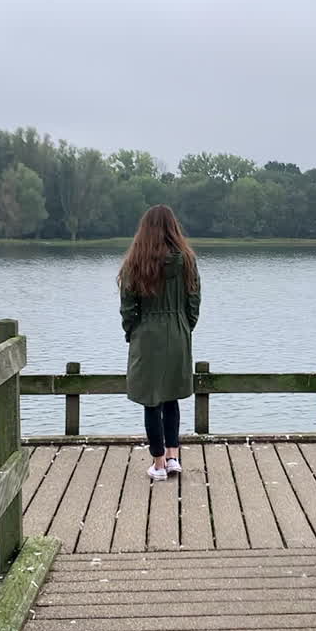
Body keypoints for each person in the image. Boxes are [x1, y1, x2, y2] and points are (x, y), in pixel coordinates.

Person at [118, 205, 201, 481]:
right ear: (173, 227)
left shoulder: (135, 262)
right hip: (177, 332)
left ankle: (158, 463)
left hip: (147, 334)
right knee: (171, 397)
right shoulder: (187, 260)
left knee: (151, 400)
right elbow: (193, 302)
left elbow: (128, 308)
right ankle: (173, 455)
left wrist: (133, 332)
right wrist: (185, 327)